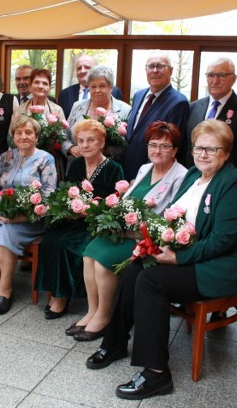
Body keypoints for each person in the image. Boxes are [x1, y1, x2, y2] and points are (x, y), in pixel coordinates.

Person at [86, 119, 237, 401]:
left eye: (212, 150)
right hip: (192, 254)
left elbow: (222, 241)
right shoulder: (193, 175)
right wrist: (153, 243)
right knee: (134, 268)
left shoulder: (234, 185)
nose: (203, 154)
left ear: (226, 153)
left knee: (151, 281)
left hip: (221, 266)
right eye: (199, 148)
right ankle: (116, 342)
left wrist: (177, 258)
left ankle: (156, 373)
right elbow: (173, 216)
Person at [72, 122, 187, 341]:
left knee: (103, 261)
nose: (157, 151)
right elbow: (126, 200)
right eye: (153, 145)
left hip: (146, 238)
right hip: (124, 230)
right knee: (89, 254)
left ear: (175, 150)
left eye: (164, 146)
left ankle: (105, 316)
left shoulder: (180, 175)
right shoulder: (145, 169)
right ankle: (92, 311)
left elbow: (172, 216)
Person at [35, 119, 124, 319]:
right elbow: (68, 192)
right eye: (81, 141)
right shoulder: (75, 164)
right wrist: (68, 207)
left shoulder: (114, 168)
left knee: (67, 244)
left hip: (97, 223)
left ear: (102, 143)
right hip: (73, 218)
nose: (85, 145)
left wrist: (92, 210)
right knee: (50, 239)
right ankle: (56, 291)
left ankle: (63, 297)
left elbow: (114, 204)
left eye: (91, 140)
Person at [0, 115, 58, 315]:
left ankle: (6, 290)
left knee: (5, 235)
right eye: (19, 133)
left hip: (30, 219)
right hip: (0, 214)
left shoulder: (45, 159)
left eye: (29, 132)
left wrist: (21, 216)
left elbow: (48, 198)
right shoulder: (6, 157)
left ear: (36, 136)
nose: (24, 136)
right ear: (13, 136)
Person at [186, 57, 237, 191]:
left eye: (221, 75)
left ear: (233, 79)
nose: (215, 81)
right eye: (210, 75)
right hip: (193, 184)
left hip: (227, 186)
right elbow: (187, 149)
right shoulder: (192, 108)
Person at [123, 51, 189, 180]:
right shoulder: (138, 95)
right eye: (150, 66)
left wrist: (144, 177)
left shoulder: (178, 102)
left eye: (160, 66)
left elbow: (170, 147)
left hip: (152, 174)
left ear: (170, 70)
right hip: (127, 168)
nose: (154, 70)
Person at [66, 65, 131, 160]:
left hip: (108, 166)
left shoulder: (125, 110)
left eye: (102, 86)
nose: (97, 90)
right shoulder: (77, 106)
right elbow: (65, 133)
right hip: (76, 164)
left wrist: (103, 151)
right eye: (93, 86)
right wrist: (70, 148)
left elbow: (126, 144)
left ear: (111, 88)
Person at [13, 69, 67, 178]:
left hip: (51, 159)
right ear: (30, 86)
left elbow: (63, 137)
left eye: (45, 83)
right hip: (23, 159)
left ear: (49, 88)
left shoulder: (57, 110)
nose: (41, 86)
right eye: (37, 82)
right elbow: (12, 137)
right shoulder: (19, 110)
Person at [58, 55, 123, 118]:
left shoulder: (114, 92)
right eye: (79, 68)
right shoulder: (65, 94)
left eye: (87, 67)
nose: (82, 71)